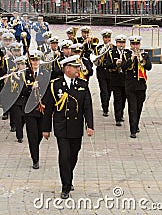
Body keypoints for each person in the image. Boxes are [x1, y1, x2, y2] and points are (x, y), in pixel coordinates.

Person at [42, 55, 94, 200]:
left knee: (74, 154)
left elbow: (87, 106)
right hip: (61, 126)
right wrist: (46, 129)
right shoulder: (55, 85)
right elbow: (49, 109)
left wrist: (90, 125)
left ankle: (68, 176)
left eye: (78, 67)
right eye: (75, 67)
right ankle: (65, 186)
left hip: (76, 126)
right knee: (64, 156)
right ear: (67, 68)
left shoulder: (83, 84)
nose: (78, 69)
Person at [23, 50, 51, 169]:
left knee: (39, 133)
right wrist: (30, 88)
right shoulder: (25, 73)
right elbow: (19, 92)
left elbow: (49, 91)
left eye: (37, 60)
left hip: (42, 109)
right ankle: (35, 159)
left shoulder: (45, 73)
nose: (35, 62)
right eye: (33, 60)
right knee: (32, 135)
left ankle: (34, 147)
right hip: (30, 109)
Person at [121, 35, 152, 138]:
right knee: (132, 108)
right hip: (130, 85)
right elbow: (123, 67)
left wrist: (141, 59)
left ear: (140, 44)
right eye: (133, 44)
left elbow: (149, 67)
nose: (135, 46)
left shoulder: (145, 54)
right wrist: (131, 59)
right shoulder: (126, 54)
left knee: (139, 107)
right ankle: (132, 130)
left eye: (137, 44)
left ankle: (136, 123)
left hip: (141, 85)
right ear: (130, 45)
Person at [106, 35, 127, 126]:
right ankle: (118, 118)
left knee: (124, 98)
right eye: (119, 43)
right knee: (117, 98)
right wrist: (115, 63)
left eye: (123, 43)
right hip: (115, 79)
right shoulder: (111, 53)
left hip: (125, 79)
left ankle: (121, 113)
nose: (121, 45)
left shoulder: (128, 53)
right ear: (116, 43)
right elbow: (107, 65)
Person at [92, 29, 113, 117]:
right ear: (103, 38)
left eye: (108, 37)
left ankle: (106, 103)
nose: (107, 39)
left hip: (111, 72)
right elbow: (95, 59)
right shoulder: (98, 48)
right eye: (105, 37)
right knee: (104, 90)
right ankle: (105, 108)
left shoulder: (113, 47)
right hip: (101, 71)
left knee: (109, 90)